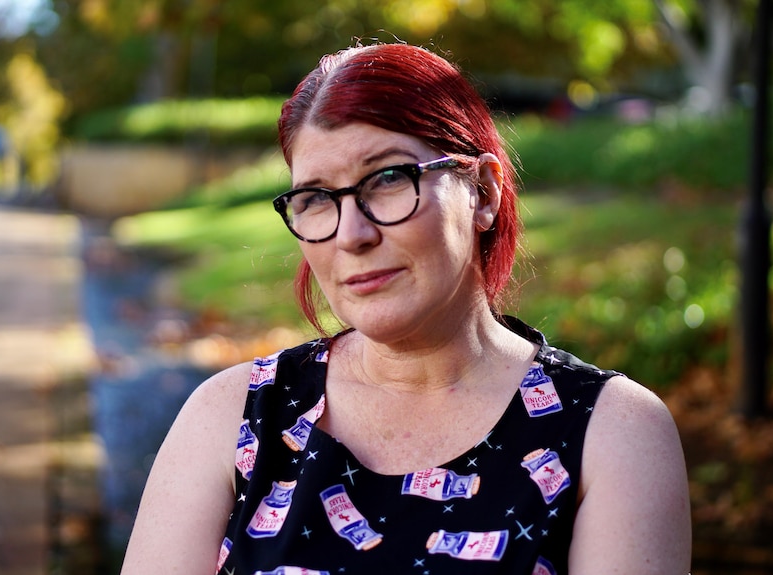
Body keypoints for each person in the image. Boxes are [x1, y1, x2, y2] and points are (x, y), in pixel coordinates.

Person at [121, 42, 691, 575]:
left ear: (484, 194)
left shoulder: (611, 434)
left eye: (389, 179)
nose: (352, 233)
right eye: (317, 198)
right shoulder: (232, 417)